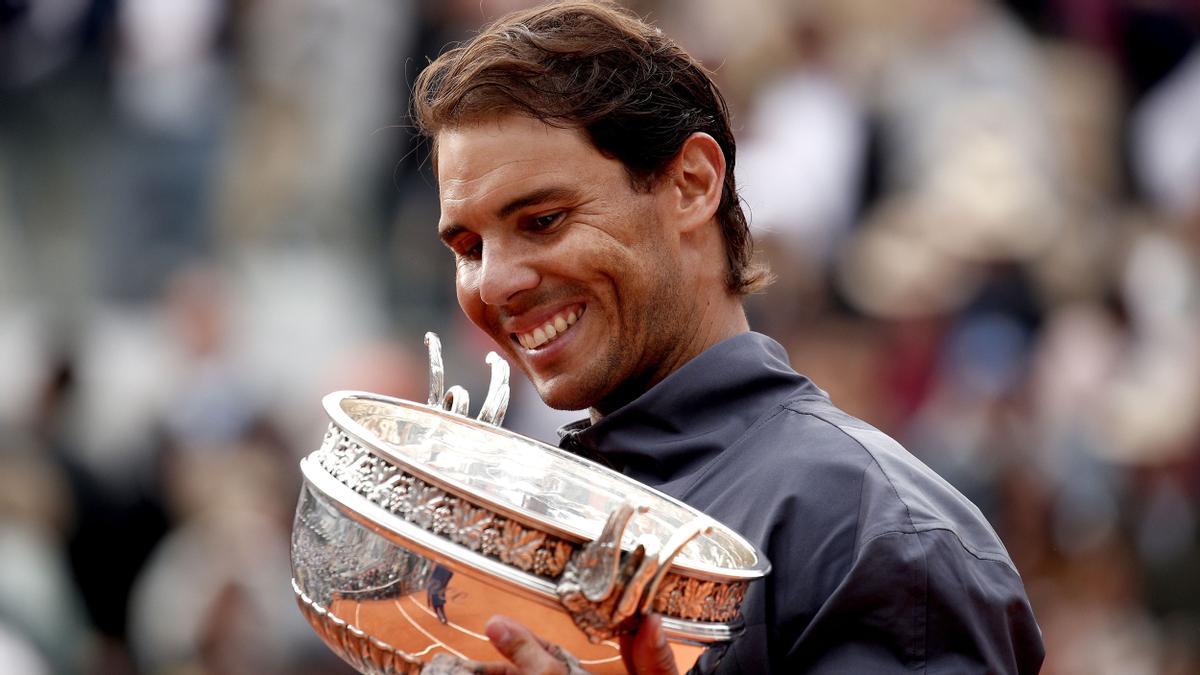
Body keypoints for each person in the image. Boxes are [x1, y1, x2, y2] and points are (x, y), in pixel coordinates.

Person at [411, 2, 1045, 673]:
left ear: (692, 184)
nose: (497, 283)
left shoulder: (869, 533)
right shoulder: (544, 518)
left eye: (543, 220)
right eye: (470, 246)